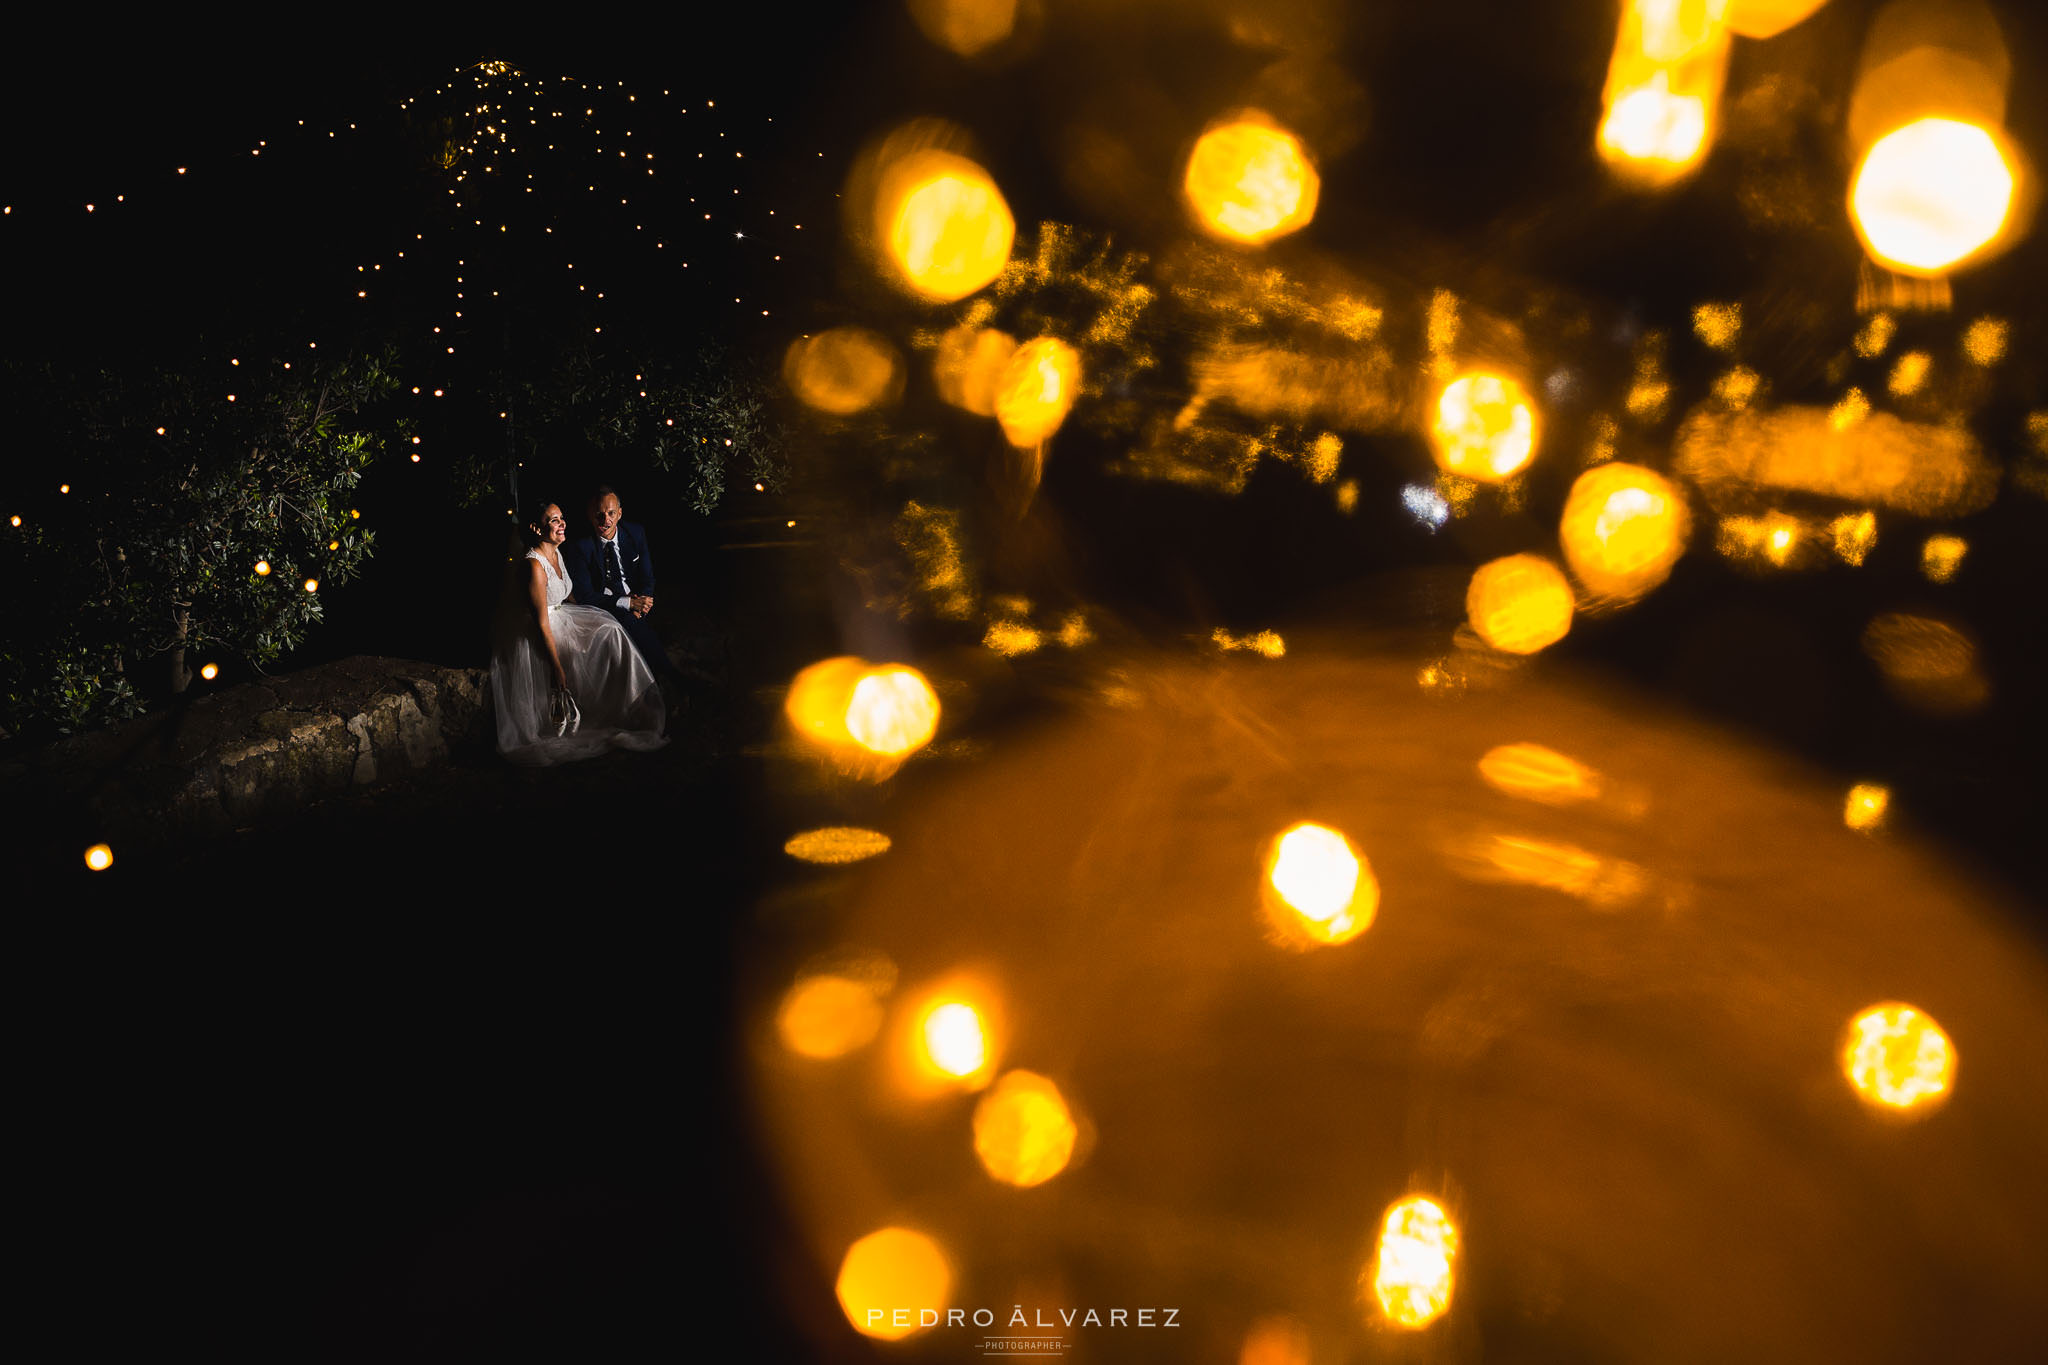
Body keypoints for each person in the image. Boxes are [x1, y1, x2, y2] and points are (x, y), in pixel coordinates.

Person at [490, 498, 667, 766]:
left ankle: (634, 703)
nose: (562, 524)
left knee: (609, 628)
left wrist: (592, 616)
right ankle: (618, 708)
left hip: (562, 616)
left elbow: (568, 594)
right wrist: (556, 668)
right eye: (553, 520)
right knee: (603, 639)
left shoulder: (556, 552)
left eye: (562, 518)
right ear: (537, 529)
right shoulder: (533, 566)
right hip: (543, 629)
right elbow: (540, 623)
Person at [565, 485, 689, 696]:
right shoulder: (581, 546)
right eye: (599, 514)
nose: (606, 520)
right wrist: (628, 603)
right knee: (630, 621)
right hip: (601, 606)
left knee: (636, 624)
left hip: (634, 600)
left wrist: (645, 600)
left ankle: (658, 688)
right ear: (589, 515)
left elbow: (647, 575)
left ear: (620, 513)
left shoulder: (635, 533)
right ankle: (672, 679)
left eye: (611, 513)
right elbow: (586, 596)